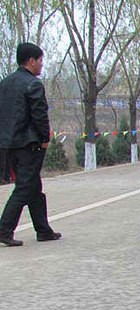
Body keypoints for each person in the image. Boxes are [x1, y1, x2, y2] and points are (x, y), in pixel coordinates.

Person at [0, 43, 60, 247]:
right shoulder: (33, 84)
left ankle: (43, 230)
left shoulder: (5, 83)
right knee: (25, 187)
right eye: (41, 60)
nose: (42, 65)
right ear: (31, 61)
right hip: (29, 144)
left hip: (9, 144)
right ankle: (4, 230)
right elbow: (39, 115)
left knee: (33, 186)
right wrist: (45, 138)